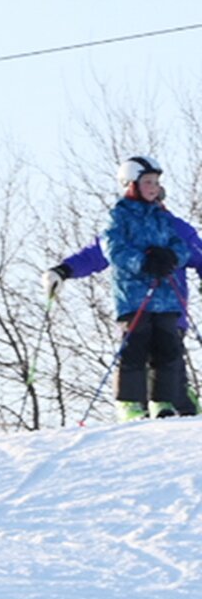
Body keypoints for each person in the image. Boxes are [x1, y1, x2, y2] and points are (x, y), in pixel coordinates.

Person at [43, 159, 202, 418]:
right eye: (148, 184)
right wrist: (64, 270)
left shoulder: (172, 225)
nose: (155, 193)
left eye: (157, 187)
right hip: (136, 300)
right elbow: (101, 251)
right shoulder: (120, 220)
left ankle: (175, 409)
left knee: (168, 360)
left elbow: (195, 252)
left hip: (170, 305)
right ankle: (134, 406)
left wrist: (170, 257)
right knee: (139, 349)